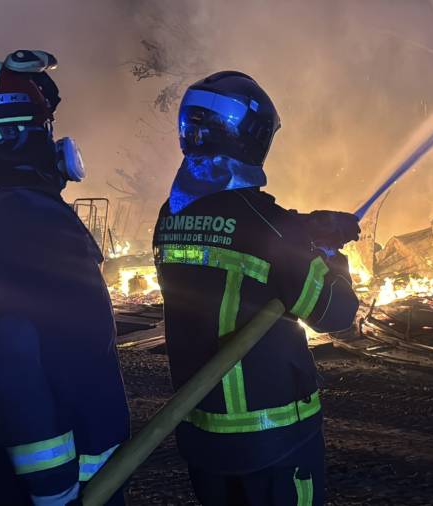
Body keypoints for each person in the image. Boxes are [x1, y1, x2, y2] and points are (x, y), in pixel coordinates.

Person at [153, 71, 360, 505]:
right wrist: (332, 260)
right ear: (250, 137)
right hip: (273, 434)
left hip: (202, 432)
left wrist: (306, 226)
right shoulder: (271, 227)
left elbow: (234, 227)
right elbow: (336, 313)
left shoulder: (169, 219)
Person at [0, 51, 129, 505]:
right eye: (42, 127)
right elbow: (13, 359)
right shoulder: (38, 229)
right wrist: (56, 492)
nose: (52, 140)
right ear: (17, 135)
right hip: (64, 486)